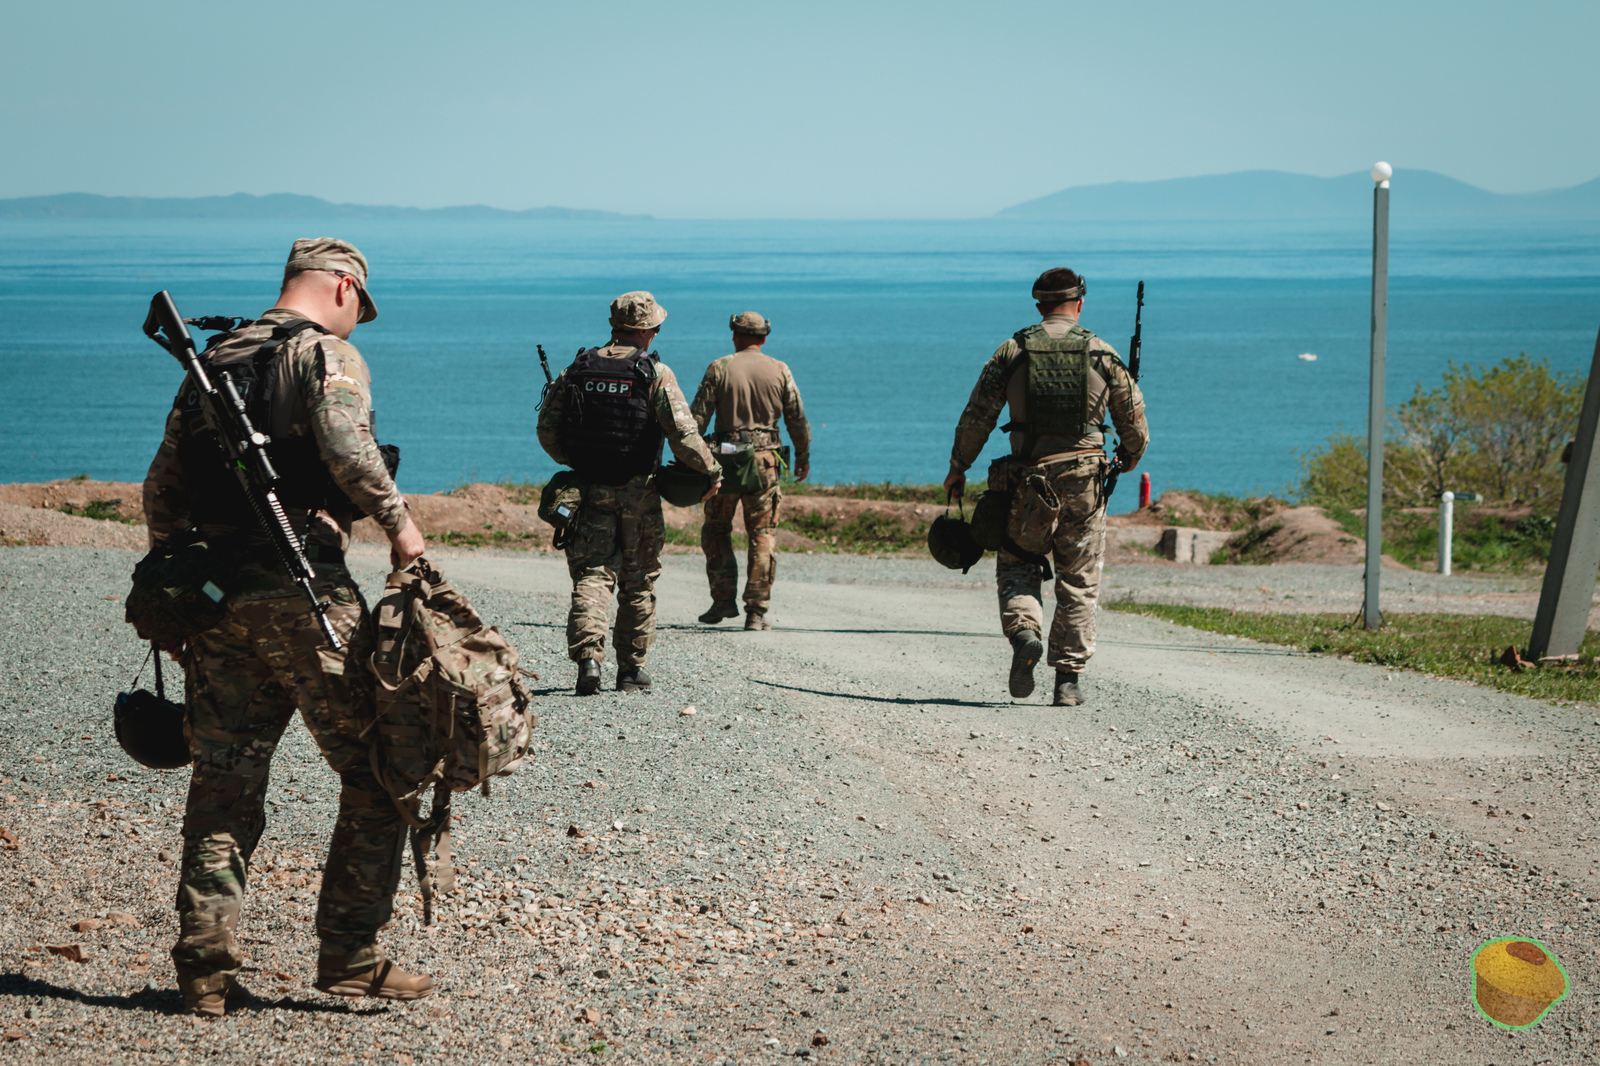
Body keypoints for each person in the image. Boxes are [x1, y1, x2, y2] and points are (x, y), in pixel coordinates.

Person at [142, 238, 433, 1015]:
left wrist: (174, 581)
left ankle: (204, 972)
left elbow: (162, 488)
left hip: (216, 594)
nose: (356, 324)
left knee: (225, 781)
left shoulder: (217, 359)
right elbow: (347, 446)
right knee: (377, 770)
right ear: (343, 287)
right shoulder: (323, 356)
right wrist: (400, 526)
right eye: (358, 309)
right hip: (304, 591)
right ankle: (350, 953)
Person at [943, 268, 1148, 707]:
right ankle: (1068, 681)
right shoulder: (1101, 352)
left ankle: (1023, 633)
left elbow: (978, 414)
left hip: (1023, 478)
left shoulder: (1012, 351)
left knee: (1019, 563)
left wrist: (958, 467)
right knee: (1078, 579)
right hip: (1083, 480)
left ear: (1038, 305)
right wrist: (1131, 456)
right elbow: (1133, 421)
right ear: (1081, 302)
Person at [536, 291, 720, 693]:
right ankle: (631, 671)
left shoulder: (577, 369)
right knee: (638, 580)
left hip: (588, 490)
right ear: (646, 331)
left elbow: (546, 431)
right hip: (639, 491)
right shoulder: (655, 373)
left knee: (592, 574)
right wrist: (712, 471)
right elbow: (684, 437)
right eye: (655, 327)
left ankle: (589, 660)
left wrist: (577, 460)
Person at [689, 311, 812, 630]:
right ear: (764, 338)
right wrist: (802, 455)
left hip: (725, 458)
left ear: (735, 335)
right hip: (766, 461)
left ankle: (722, 600)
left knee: (717, 528)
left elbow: (697, 419)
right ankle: (756, 612)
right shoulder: (780, 369)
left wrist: (692, 460)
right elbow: (796, 418)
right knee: (763, 533)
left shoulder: (720, 367)